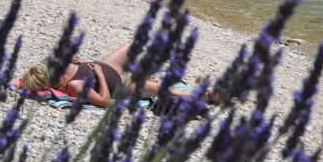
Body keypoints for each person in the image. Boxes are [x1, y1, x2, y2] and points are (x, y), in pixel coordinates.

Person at [19, 43, 210, 108]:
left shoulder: (64, 66)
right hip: (121, 86)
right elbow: (103, 100)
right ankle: (208, 95)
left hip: (109, 67)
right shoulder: (74, 86)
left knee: (129, 47)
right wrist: (100, 75)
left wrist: (82, 63)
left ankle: (142, 75)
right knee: (161, 88)